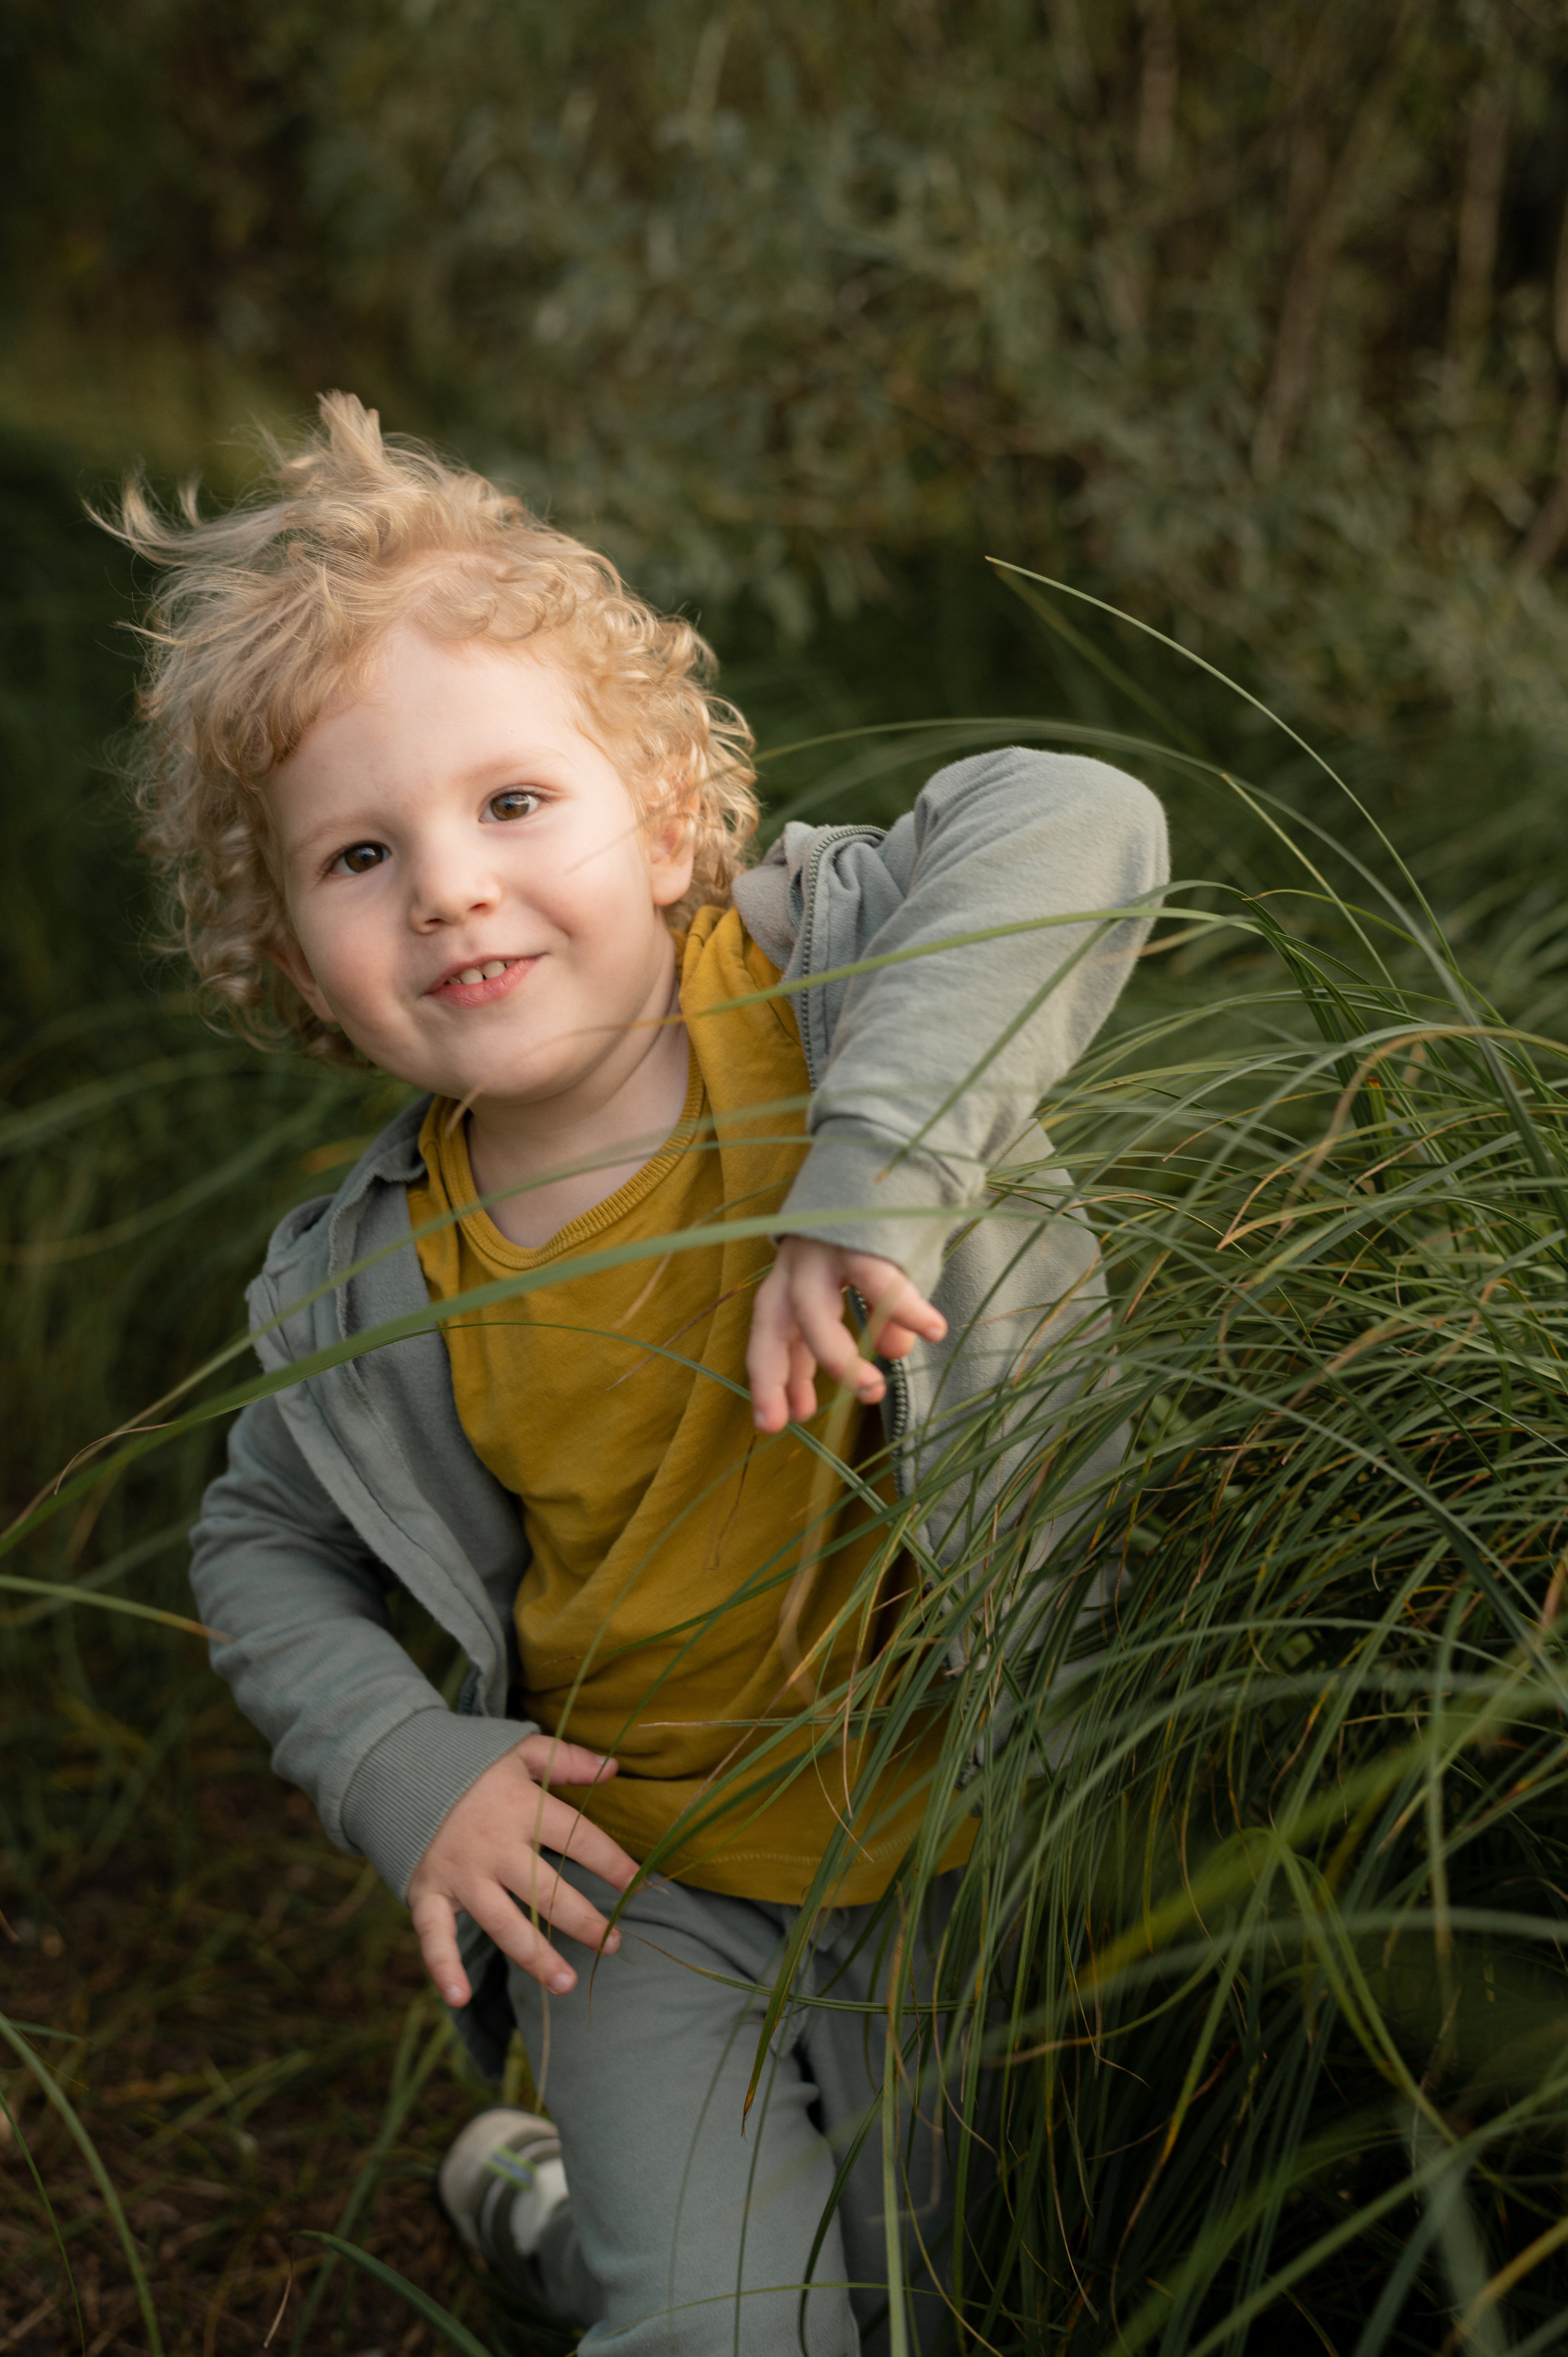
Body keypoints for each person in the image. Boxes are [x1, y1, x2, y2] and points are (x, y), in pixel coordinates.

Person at [109, 393, 1167, 2355]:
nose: (449, 885)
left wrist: (884, 1170)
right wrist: (404, 1766)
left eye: (515, 803)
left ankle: (552, 2225)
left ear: (666, 811)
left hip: (980, 1835)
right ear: (289, 950)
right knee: (730, 2332)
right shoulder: (372, 1286)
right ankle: (626, 2234)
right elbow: (258, 1545)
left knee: (947, 2307)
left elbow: (1082, 817)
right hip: (635, 1888)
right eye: (359, 853)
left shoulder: (821, 977)